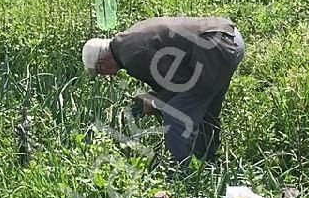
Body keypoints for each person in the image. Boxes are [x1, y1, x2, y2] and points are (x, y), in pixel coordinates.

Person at [82, 16, 245, 164]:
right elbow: (174, 77)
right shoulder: (128, 43)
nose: (105, 76)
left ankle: (181, 175)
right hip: (225, 39)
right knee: (203, 106)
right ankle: (206, 161)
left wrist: (154, 102)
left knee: (176, 112)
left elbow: (182, 83)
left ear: (103, 64)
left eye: (101, 72)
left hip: (216, 47)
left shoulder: (132, 56)